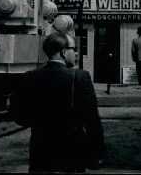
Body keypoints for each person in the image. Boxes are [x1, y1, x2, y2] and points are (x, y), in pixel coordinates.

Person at [20, 31, 104, 173]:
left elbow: (19, 116)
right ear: (64, 52)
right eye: (74, 49)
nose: (76, 54)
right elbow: (92, 120)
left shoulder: (30, 76)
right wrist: (96, 154)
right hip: (72, 152)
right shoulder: (80, 77)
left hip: (40, 152)